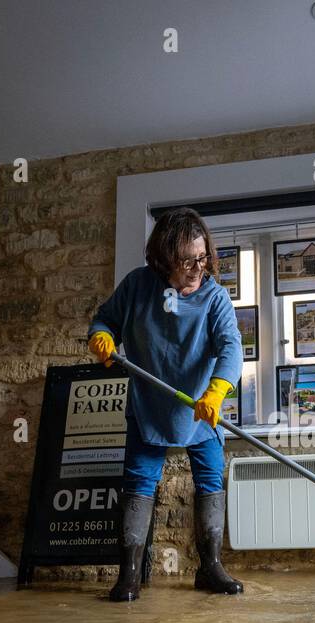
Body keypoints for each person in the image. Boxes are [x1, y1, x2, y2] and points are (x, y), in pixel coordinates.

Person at [87, 207, 243, 601]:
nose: (196, 269)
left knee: (210, 481)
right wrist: (101, 337)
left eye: (202, 258)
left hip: (201, 409)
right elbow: (105, 320)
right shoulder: (137, 286)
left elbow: (231, 348)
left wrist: (218, 389)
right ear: (163, 258)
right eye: (186, 261)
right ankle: (129, 574)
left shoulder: (214, 297)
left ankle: (210, 568)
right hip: (148, 406)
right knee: (139, 482)